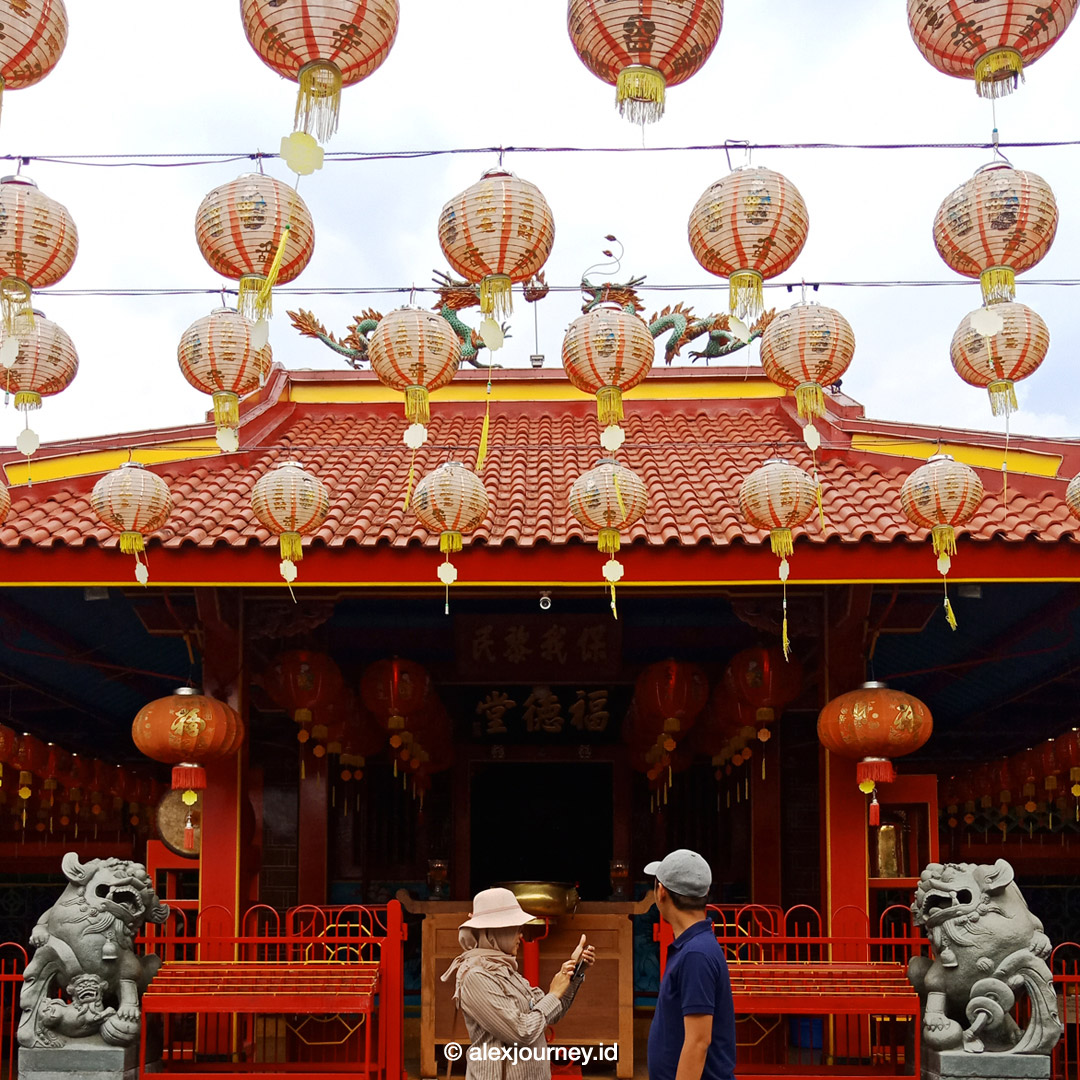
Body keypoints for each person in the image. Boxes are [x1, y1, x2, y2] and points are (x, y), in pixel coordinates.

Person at [441, 886, 595, 1079]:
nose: (520, 936)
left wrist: (573, 974)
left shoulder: (506, 971)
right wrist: (554, 993)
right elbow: (521, 1032)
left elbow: (552, 1013)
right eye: (515, 929)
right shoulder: (476, 977)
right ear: (496, 931)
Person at [645, 849, 735, 1080]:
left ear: (661, 892)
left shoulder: (696, 954)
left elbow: (698, 1042)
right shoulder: (695, 947)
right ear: (705, 892)